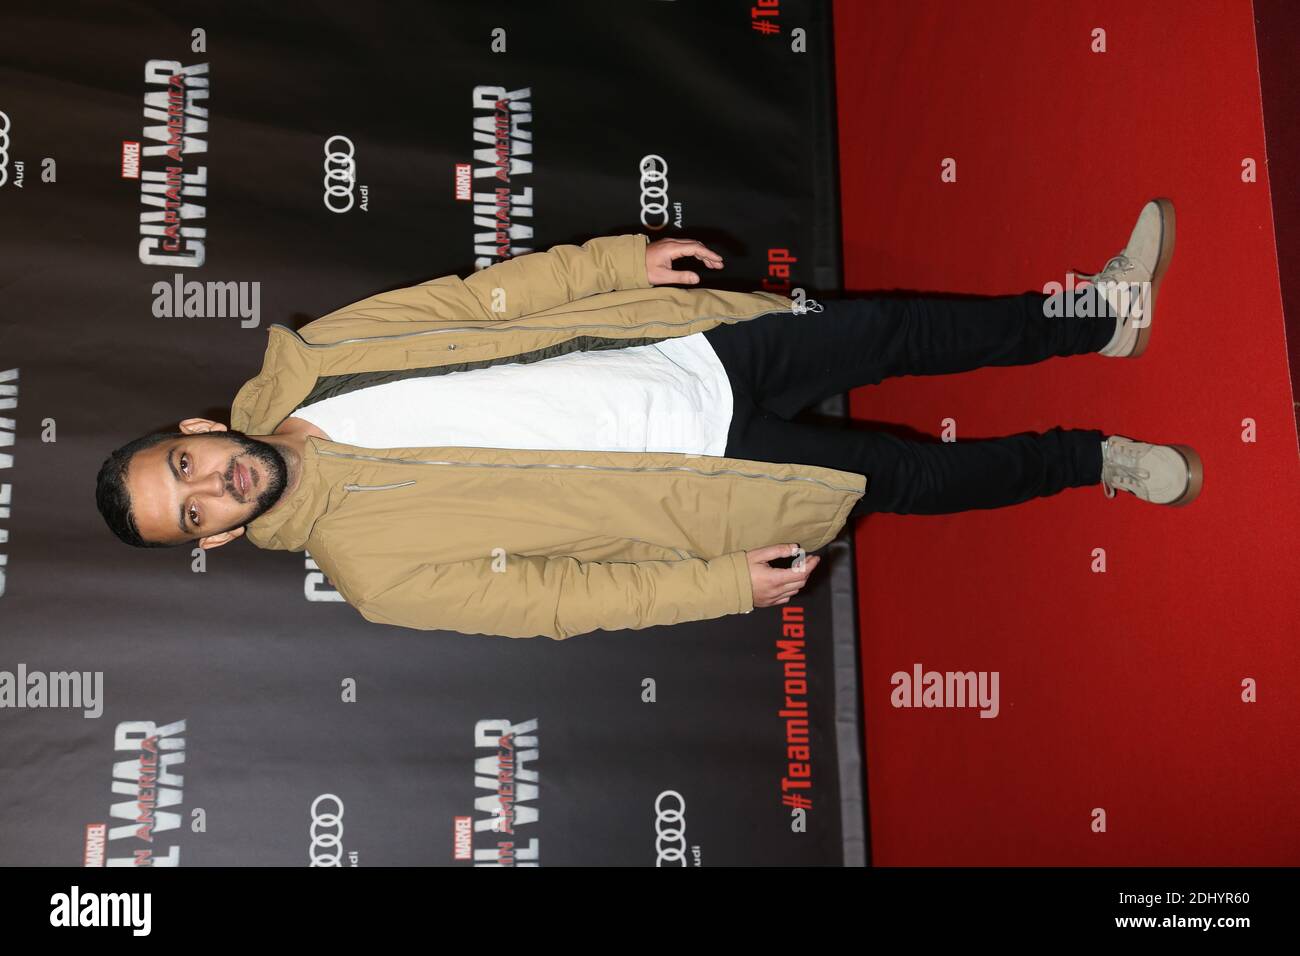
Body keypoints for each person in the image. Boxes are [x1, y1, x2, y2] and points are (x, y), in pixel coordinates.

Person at [95, 198, 1201, 639]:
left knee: (901, 329)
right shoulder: (375, 576)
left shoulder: (319, 352)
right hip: (707, 475)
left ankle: (1096, 315)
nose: (208, 486)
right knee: (908, 479)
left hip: (682, 344)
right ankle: (1095, 460)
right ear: (219, 539)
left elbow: (478, 299)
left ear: (197, 426)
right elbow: (562, 603)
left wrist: (615, 261)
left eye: (183, 464)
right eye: (190, 513)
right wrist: (720, 585)